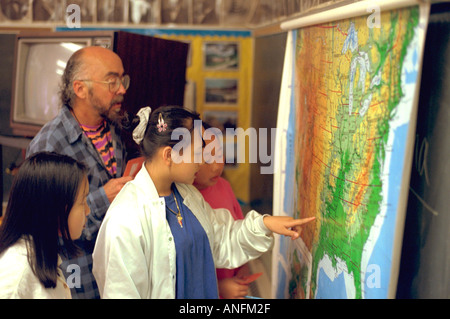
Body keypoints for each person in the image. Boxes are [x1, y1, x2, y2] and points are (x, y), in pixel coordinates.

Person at [92, 106, 315, 298]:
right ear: (169, 155)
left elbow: (222, 240)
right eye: (199, 153)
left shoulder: (187, 196)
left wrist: (264, 224)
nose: (202, 161)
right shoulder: (126, 219)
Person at [26, 46, 133, 299]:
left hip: (117, 277)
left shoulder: (116, 130)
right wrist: (102, 199)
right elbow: (43, 228)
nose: (122, 89)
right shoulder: (50, 144)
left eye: (122, 79)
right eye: (111, 81)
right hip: (80, 285)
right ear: (80, 89)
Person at [0, 152, 89, 299]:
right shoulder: (17, 272)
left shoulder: (42, 255)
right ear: (55, 207)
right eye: (82, 201)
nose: (88, 210)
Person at [193, 123, 251, 299]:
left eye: (219, 154)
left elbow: (241, 231)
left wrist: (243, 269)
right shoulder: (182, 199)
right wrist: (217, 288)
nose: (217, 165)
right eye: (208, 159)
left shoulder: (224, 186)